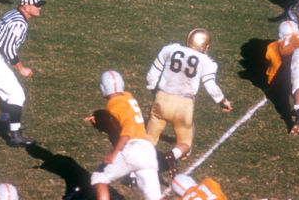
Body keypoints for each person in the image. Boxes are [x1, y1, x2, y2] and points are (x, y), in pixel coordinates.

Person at [145, 29, 232, 175]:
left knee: (149, 139)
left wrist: (155, 91)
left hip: (162, 98)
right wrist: (222, 101)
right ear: (204, 46)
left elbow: (151, 76)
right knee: (185, 143)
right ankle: (173, 155)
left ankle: (134, 174)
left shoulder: (170, 49)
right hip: (183, 105)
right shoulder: (207, 62)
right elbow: (210, 85)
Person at [0, 0, 45, 147]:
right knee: (17, 95)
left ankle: (5, 119)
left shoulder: (14, 13)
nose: (39, 8)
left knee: (7, 88)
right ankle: (15, 135)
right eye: (37, 5)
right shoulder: (19, 22)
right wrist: (21, 68)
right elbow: (8, 49)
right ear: (26, 6)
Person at [87, 71, 162, 200]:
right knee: (154, 198)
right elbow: (125, 116)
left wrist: (114, 153)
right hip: (148, 150)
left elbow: (128, 128)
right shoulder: (128, 96)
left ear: (103, 87)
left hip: (133, 149)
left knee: (99, 177)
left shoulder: (114, 103)